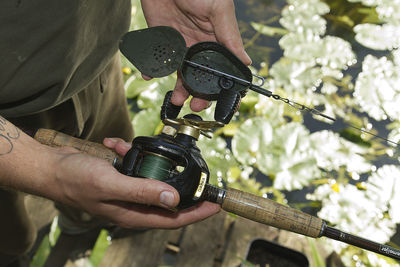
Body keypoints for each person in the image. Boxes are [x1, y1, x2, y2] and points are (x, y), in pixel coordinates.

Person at [0, 0, 251, 264]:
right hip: (10, 112)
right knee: (10, 237)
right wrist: (48, 172)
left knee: (107, 183)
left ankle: (84, 225)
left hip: (95, 60)